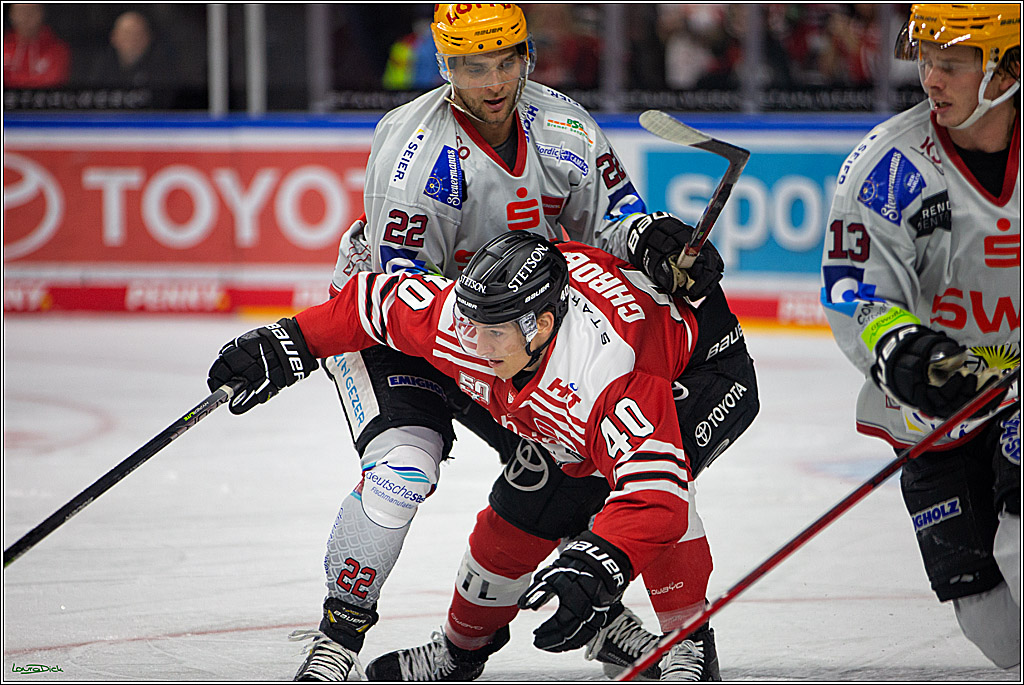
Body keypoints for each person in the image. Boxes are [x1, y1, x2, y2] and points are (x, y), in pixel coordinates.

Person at [276, 3, 726, 681]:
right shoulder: (412, 150)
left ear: (527, 57)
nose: (490, 81)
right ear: (445, 66)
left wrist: (653, 241)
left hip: (510, 331)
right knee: (404, 469)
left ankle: (602, 621)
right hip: (408, 326)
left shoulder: (566, 127)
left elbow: (615, 222)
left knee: (581, 471)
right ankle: (338, 633)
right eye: (470, 65)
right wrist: (293, 338)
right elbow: (399, 299)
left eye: (503, 62)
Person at [209, 231, 759, 681]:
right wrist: (289, 342)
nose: (472, 344)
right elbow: (372, 301)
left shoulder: (606, 380)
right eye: (469, 325)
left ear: (540, 326)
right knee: (513, 524)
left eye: (491, 333)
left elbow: (656, 492)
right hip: (569, 403)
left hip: (702, 371)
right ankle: (460, 652)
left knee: (659, 478)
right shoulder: (470, 322)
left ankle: (687, 641)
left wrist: (600, 563)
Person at [821, 3, 1020, 670]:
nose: (930, 77)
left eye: (953, 63)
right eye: (926, 57)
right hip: (937, 403)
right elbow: (854, 290)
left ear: (1011, 68)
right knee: (999, 630)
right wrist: (906, 352)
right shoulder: (889, 167)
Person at [3, 3, 70, 88]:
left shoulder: (58, 49)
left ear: (42, 13)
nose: (26, 17)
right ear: (11, 15)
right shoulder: (4, 46)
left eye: (31, 11)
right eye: (20, 12)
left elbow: (53, 83)